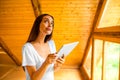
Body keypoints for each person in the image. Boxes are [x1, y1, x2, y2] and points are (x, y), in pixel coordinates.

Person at [22, 14, 65, 80]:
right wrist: (46, 63)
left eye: (52, 23)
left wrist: (59, 64)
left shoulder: (51, 43)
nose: (50, 25)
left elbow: (52, 69)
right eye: (46, 21)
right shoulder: (27, 48)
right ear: (38, 25)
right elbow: (34, 78)